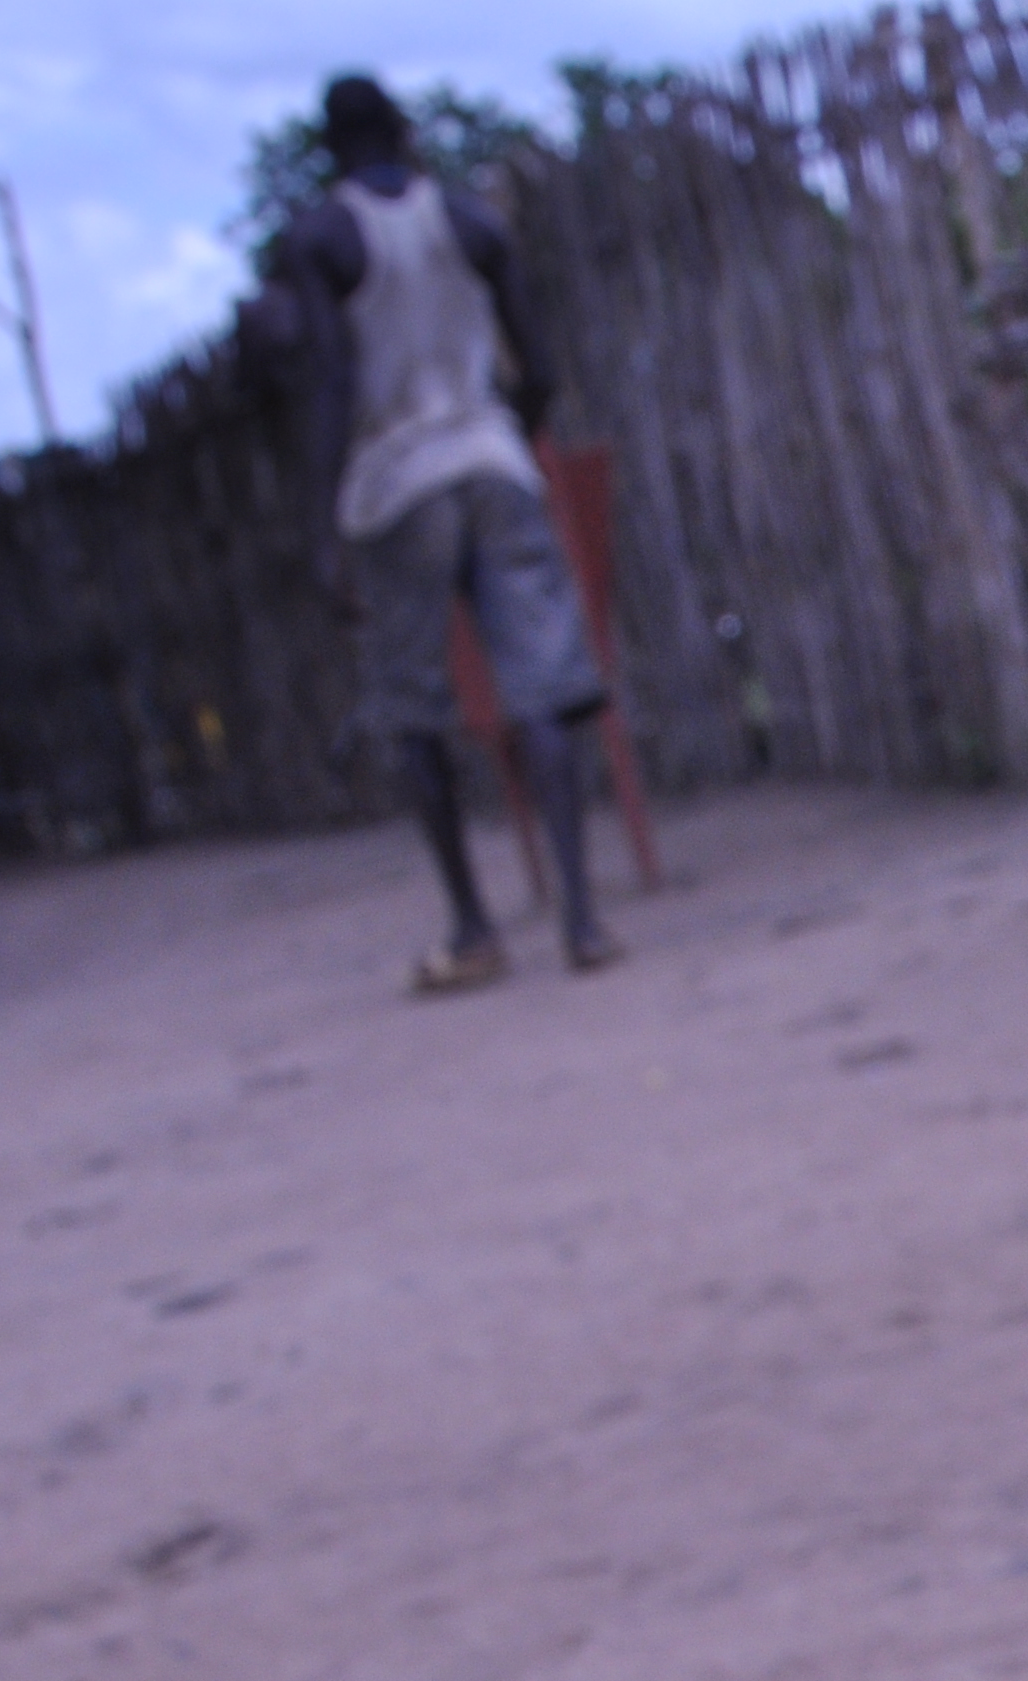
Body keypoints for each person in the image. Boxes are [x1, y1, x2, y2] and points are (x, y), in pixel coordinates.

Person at [288, 73, 615, 993]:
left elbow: (328, 382)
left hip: (398, 483)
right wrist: (514, 424)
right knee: (538, 689)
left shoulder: (325, 239)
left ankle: (473, 926)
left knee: (414, 708)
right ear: (404, 131)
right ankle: (583, 919)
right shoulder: (473, 223)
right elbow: (538, 360)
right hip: (492, 461)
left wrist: (321, 524)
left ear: (331, 147)